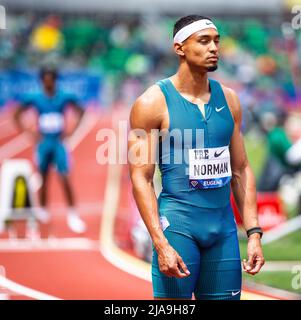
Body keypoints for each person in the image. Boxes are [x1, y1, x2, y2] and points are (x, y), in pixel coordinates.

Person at [129, 15, 265, 300]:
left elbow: (240, 169)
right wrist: (159, 242)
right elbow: (140, 178)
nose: (214, 47)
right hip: (178, 228)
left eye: (216, 41)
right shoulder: (151, 103)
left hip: (223, 230)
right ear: (179, 47)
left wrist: (253, 233)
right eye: (204, 41)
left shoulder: (229, 99)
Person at [14, 67, 87, 234]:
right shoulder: (35, 97)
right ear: (41, 81)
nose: (48, 84)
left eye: (51, 80)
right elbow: (17, 113)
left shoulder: (63, 96)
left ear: (55, 80)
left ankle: (72, 214)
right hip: (44, 143)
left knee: (65, 177)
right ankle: (43, 212)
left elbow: (81, 110)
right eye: (45, 81)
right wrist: (28, 132)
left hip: (58, 143)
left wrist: (73, 130)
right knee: (43, 177)